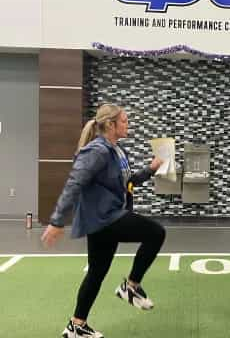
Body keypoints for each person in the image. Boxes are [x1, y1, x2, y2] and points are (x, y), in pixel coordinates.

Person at [41, 103, 166, 338]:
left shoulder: (117, 150)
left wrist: (150, 169)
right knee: (156, 233)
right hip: (106, 218)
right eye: (125, 121)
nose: (128, 125)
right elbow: (74, 184)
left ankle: (76, 325)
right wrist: (57, 221)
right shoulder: (97, 151)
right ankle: (131, 286)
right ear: (110, 124)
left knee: (96, 273)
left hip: (105, 221)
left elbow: (127, 183)